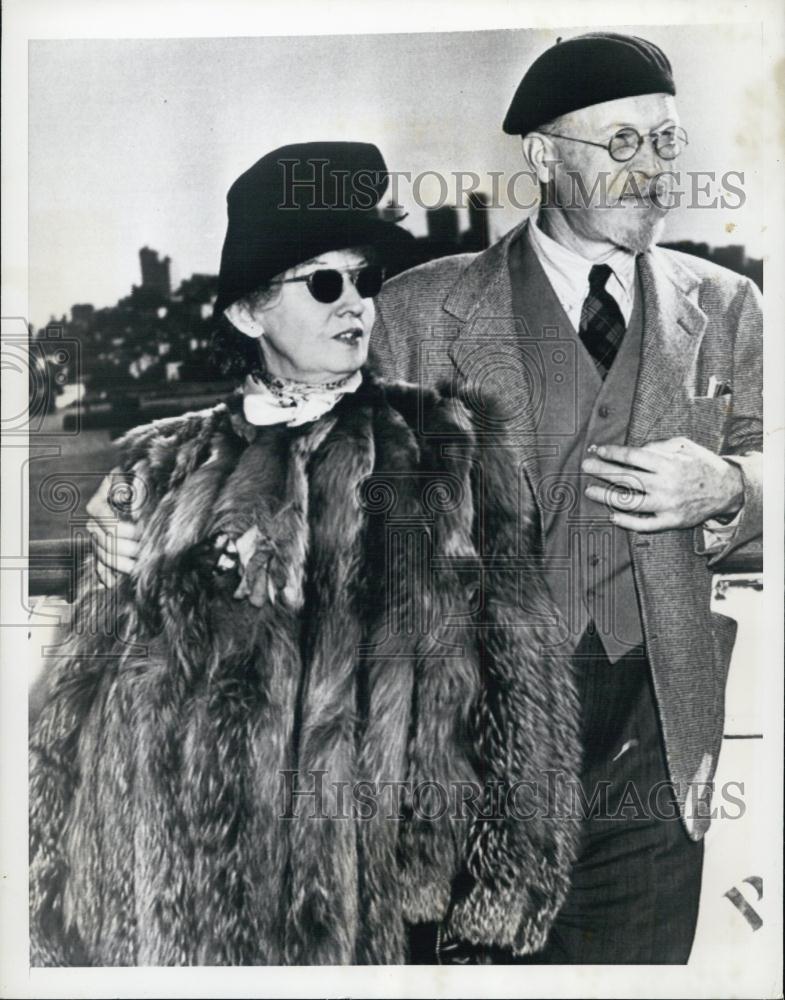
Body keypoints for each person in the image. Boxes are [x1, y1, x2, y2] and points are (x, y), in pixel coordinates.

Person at [29, 141, 582, 966]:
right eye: (324, 282)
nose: (354, 302)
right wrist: (55, 897)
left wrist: (501, 898)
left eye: (365, 279)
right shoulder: (160, 466)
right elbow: (85, 703)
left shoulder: (450, 446)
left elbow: (522, 684)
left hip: (398, 918)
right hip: (204, 915)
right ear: (248, 314)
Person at [368, 33, 763, 963]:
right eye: (620, 145)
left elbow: (764, 466)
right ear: (544, 157)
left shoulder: (729, 306)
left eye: (665, 145)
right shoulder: (417, 312)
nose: (654, 172)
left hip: (654, 758)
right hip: (470, 771)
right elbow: (347, 511)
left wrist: (734, 485)